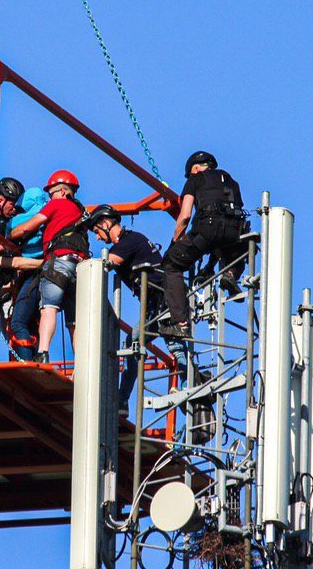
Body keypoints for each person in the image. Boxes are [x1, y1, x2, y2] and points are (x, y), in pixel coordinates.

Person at [83, 205, 186, 406]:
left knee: (173, 343)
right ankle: (122, 400)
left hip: (164, 298)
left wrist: (82, 266)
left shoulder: (128, 241)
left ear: (106, 223)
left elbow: (106, 264)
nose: (97, 237)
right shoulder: (132, 239)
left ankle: (187, 384)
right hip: (157, 302)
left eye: (96, 231)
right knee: (134, 344)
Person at [160, 151, 247, 338]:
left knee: (171, 265)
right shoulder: (232, 182)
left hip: (207, 229)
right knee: (239, 249)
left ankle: (181, 323)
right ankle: (231, 273)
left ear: (196, 168)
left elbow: (184, 216)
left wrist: (175, 242)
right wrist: (210, 266)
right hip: (234, 232)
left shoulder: (195, 179)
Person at [8, 170, 88, 363]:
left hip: (58, 262)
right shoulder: (80, 212)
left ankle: (43, 352)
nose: (49, 197)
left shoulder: (57, 204)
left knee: (48, 308)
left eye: (51, 193)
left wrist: (10, 236)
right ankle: (81, 365)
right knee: (73, 322)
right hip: (80, 269)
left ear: (61, 191)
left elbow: (29, 226)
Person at [5, 186, 51, 360]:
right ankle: (39, 360)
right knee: (34, 324)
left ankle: (26, 362)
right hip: (49, 275)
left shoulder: (26, 219)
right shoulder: (51, 215)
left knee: (18, 323)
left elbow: (13, 229)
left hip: (34, 274)